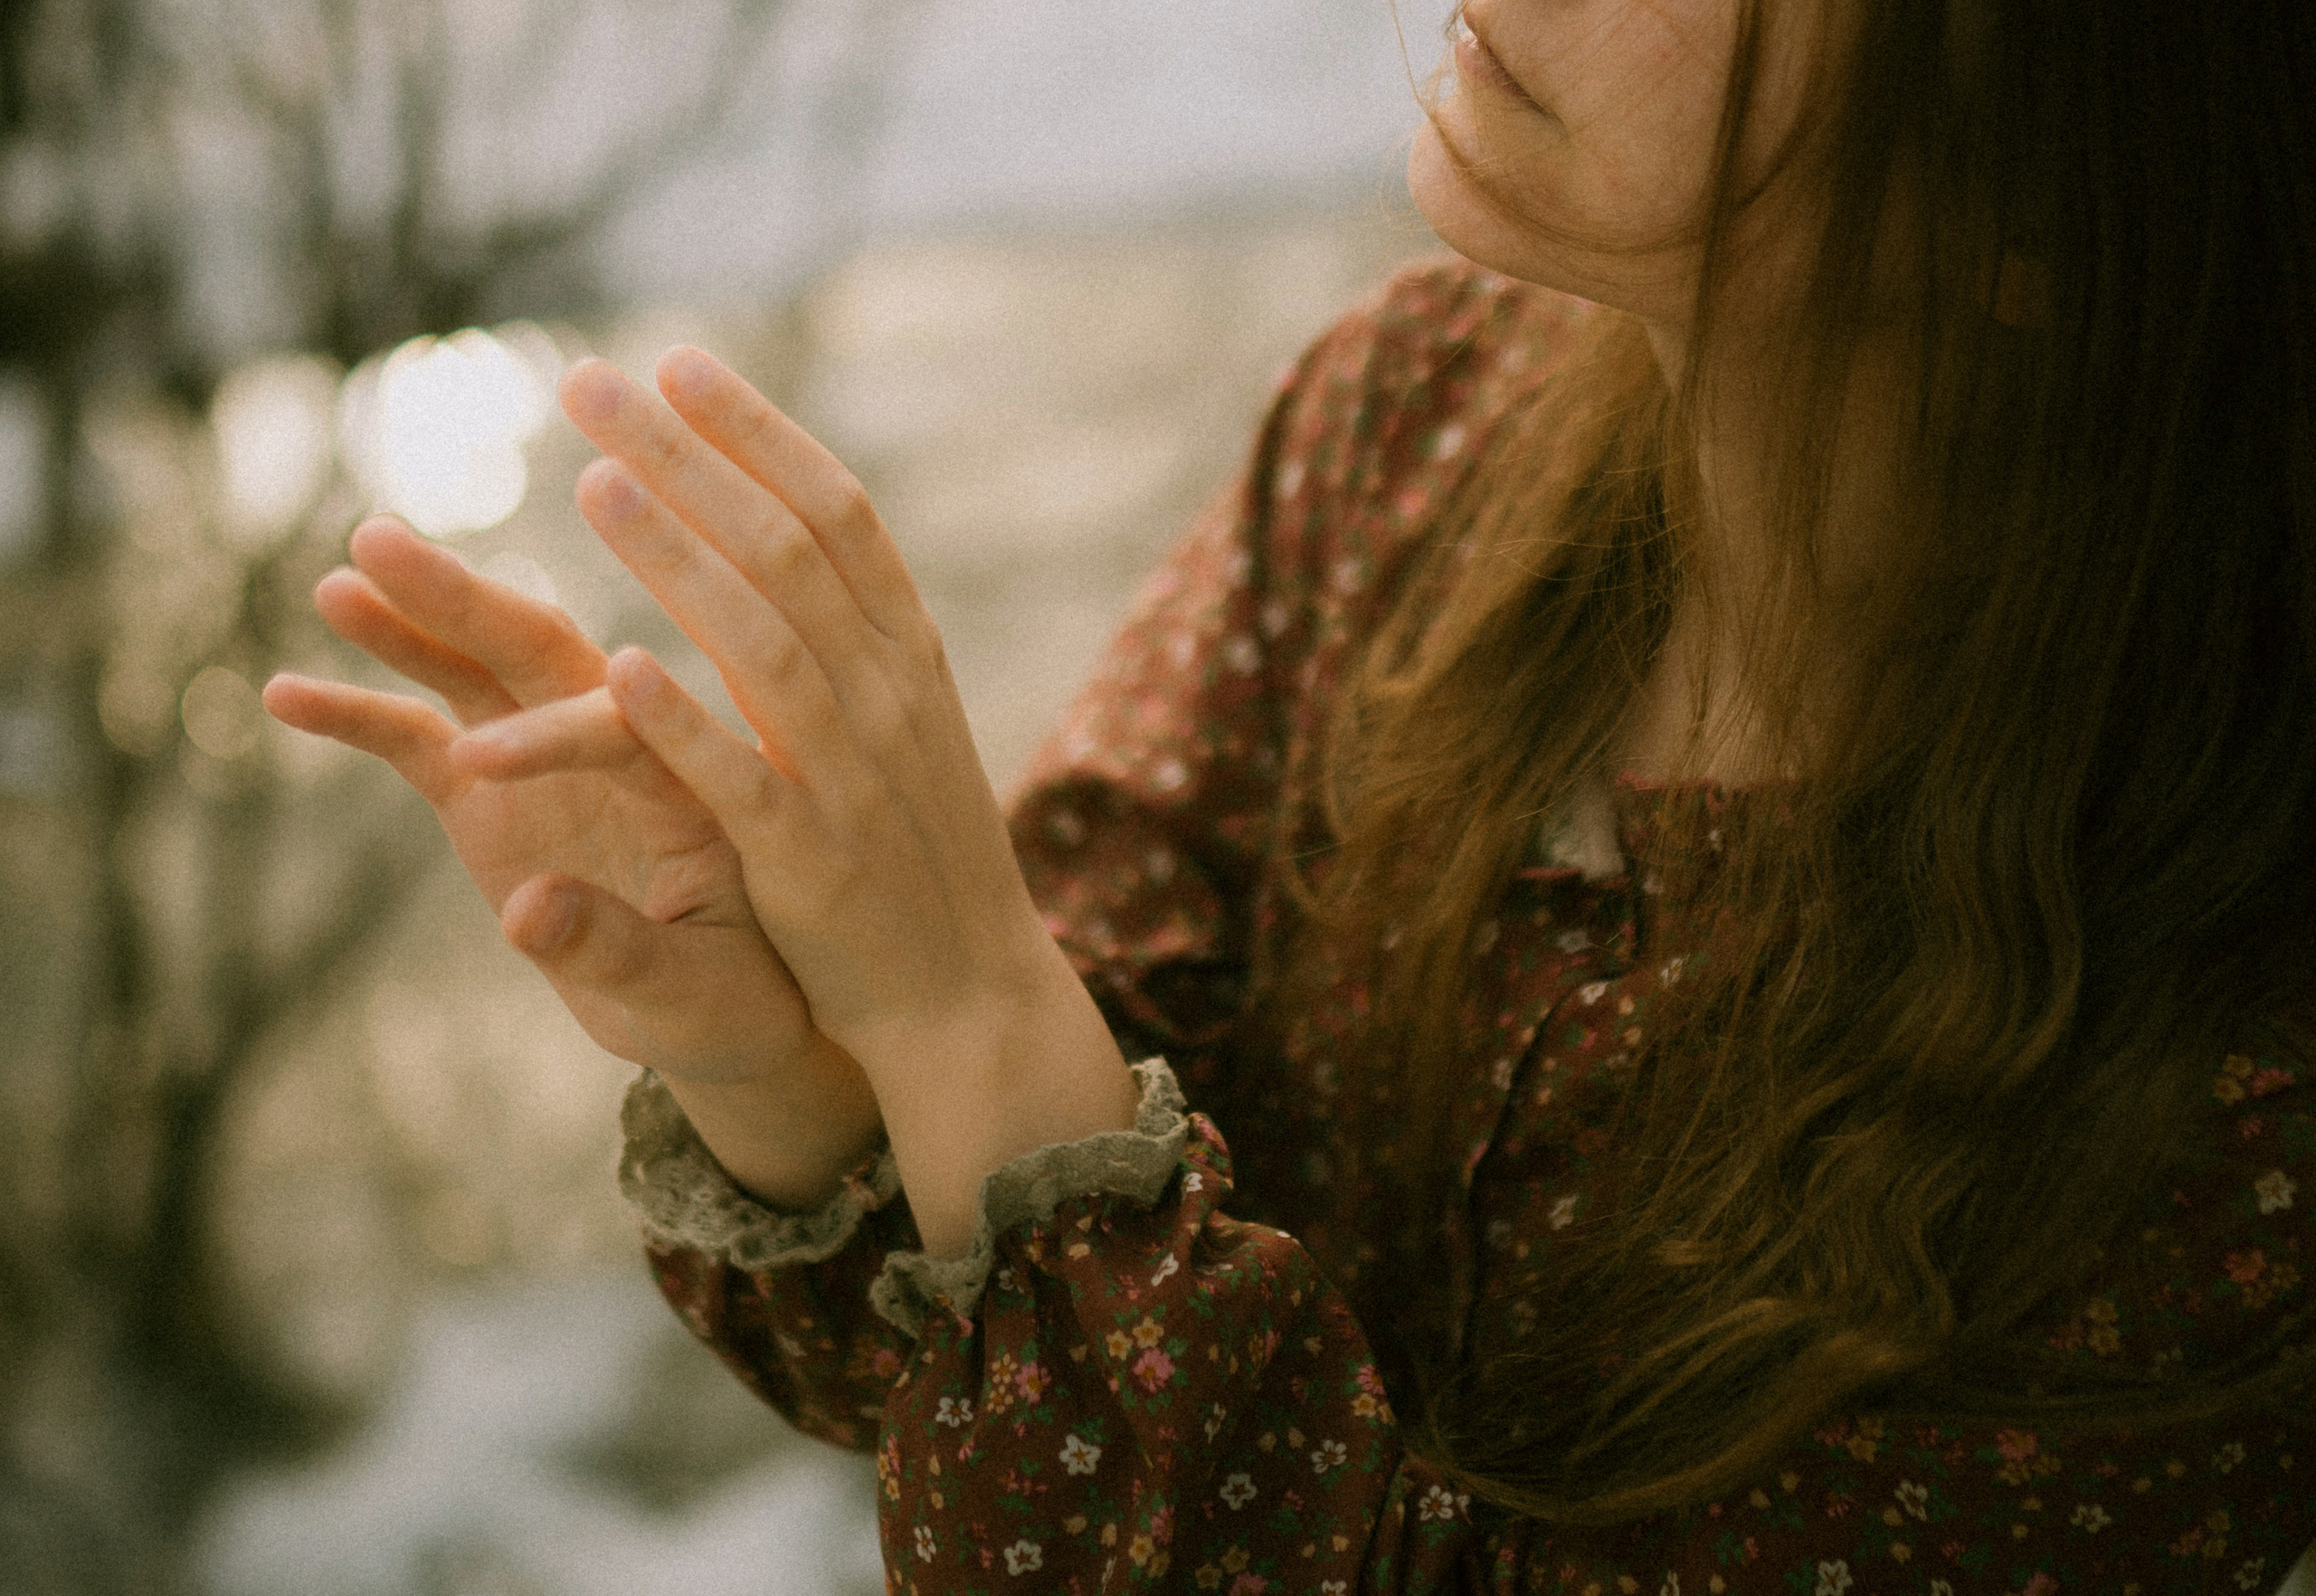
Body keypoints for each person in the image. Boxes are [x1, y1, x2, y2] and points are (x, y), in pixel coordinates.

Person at [266, 0, 2316, 1587]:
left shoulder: (2227, 1062)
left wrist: (961, 1000)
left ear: (2060, 187)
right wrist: (786, 1049)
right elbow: (983, 1389)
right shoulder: (1407, 426)